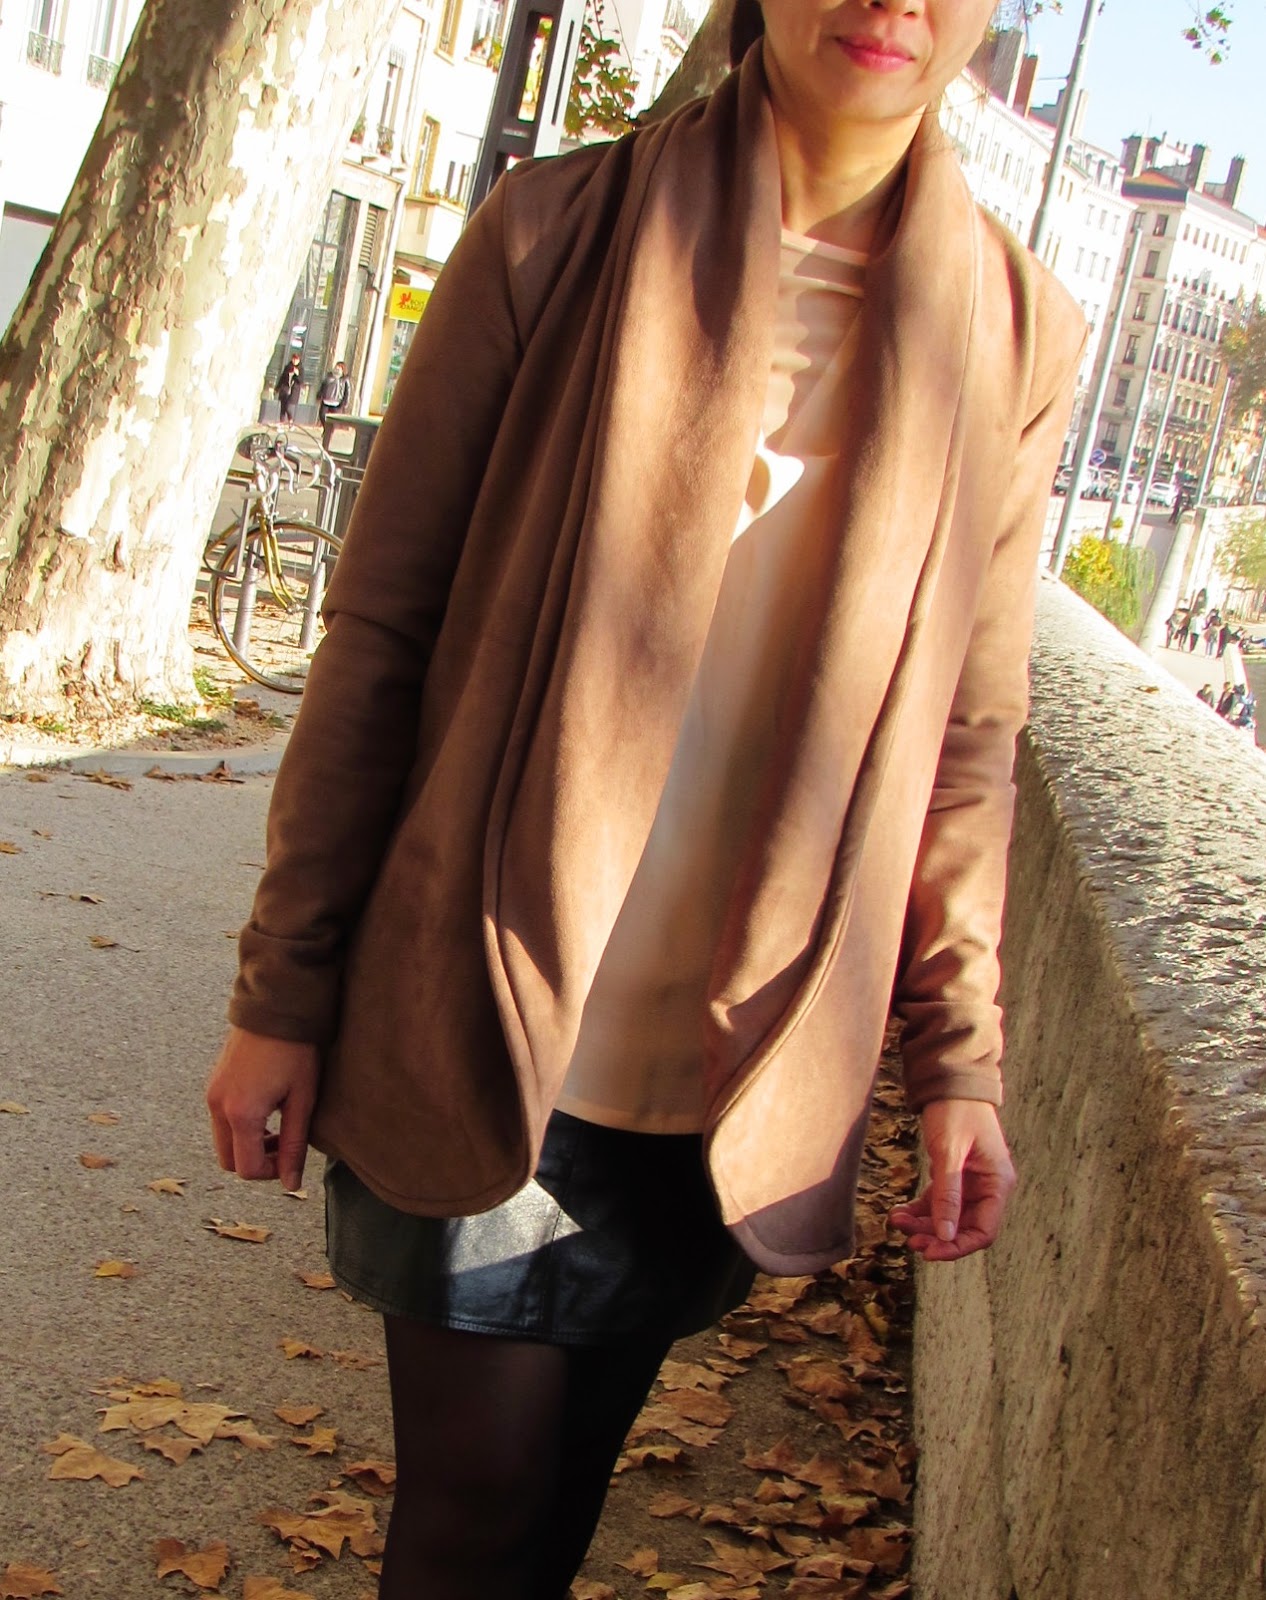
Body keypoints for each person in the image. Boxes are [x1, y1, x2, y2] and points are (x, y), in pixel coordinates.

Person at [206, 2, 1085, 1595]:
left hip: (734, 1057)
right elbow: (384, 627)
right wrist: (284, 984)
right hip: (483, 995)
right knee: (474, 1506)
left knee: (556, 1511)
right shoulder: (552, 232)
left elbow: (969, 733)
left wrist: (960, 1059)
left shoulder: (1015, 334)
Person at [317, 360, 350, 424]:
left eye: (339, 367)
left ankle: (330, 429)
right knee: (322, 415)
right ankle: (326, 427)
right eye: (336, 366)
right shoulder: (329, 376)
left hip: (337, 402)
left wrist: (344, 403)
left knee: (334, 420)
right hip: (326, 400)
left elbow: (347, 392)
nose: (337, 368)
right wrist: (319, 394)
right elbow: (323, 385)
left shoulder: (344, 379)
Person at [275, 352, 303, 424]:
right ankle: (281, 422)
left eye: (296, 359)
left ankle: (290, 420)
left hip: (293, 391)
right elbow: (282, 378)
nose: (294, 361)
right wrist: (277, 388)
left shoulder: (301, 369)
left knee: (288, 407)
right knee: (283, 407)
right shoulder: (288, 367)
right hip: (285, 389)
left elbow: (301, 381)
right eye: (293, 359)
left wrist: (297, 374)